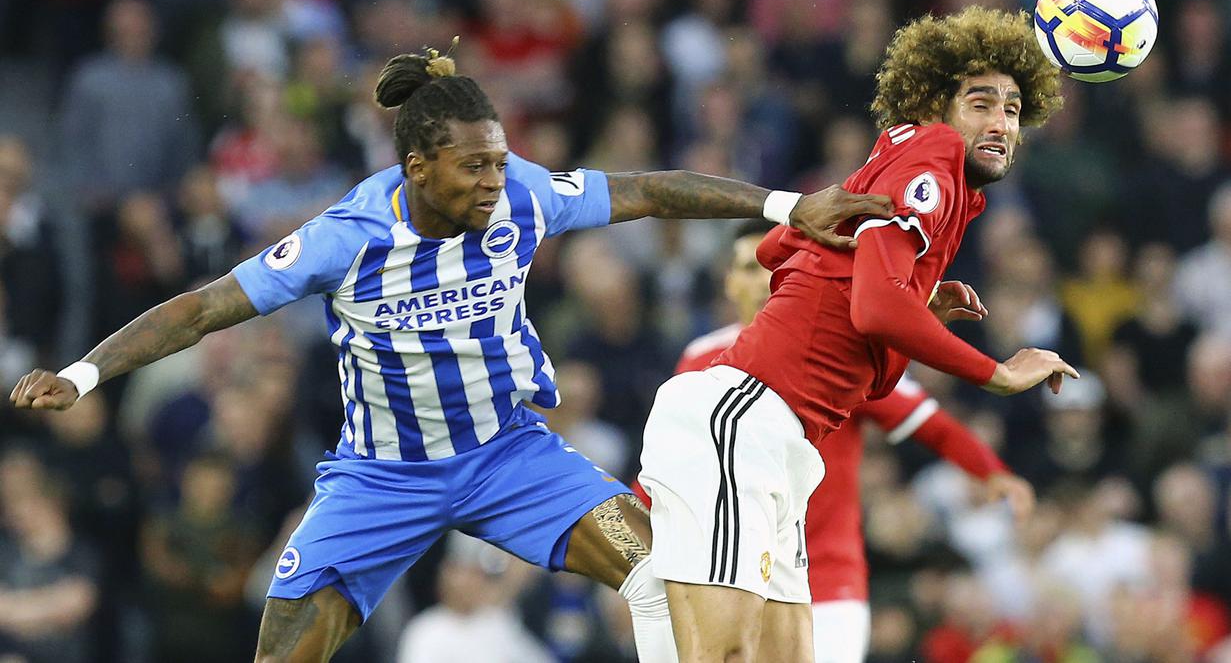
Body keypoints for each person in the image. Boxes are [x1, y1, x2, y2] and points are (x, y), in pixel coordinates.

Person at [10, 43, 892, 662]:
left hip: (509, 454)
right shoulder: (346, 236)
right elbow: (202, 310)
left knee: (664, 570)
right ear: (417, 166)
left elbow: (651, 190)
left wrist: (783, 206)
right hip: (380, 477)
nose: (495, 182)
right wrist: (84, 373)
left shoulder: (523, 197)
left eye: (501, 163)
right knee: (282, 653)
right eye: (474, 168)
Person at [636, 6, 1076, 663]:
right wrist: (996, 372)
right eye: (980, 103)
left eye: (1012, 110)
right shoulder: (933, 155)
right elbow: (872, 309)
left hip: (782, 445)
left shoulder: (896, 160)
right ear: (936, 104)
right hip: (746, 419)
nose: (1000, 124)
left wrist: (912, 296)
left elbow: (777, 251)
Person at [632, 219, 1036, 663]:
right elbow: (672, 457)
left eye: (777, 264)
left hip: (826, 571)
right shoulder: (701, 360)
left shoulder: (834, 343)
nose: (765, 278)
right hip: (730, 568)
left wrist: (992, 473)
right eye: (750, 267)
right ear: (728, 283)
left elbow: (931, 423)